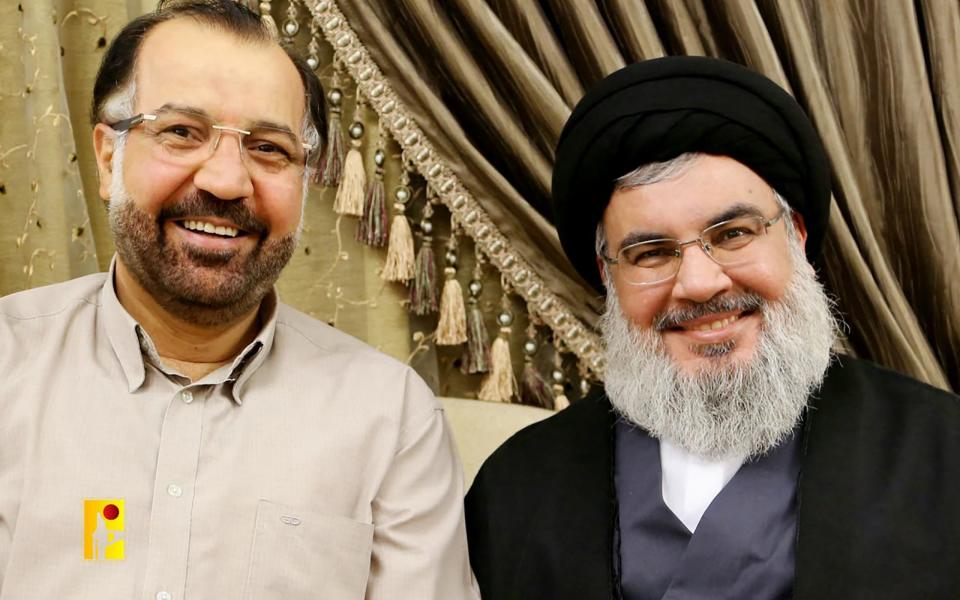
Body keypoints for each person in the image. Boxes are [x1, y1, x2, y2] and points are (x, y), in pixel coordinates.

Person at [0, 2, 478, 598]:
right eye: (180, 133)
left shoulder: (389, 417)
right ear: (106, 156)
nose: (226, 181)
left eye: (270, 149)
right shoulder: (8, 368)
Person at [465, 56, 960, 599]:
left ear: (795, 237)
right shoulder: (516, 487)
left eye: (732, 235)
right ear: (609, 276)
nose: (699, 284)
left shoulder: (942, 454)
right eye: (651, 253)